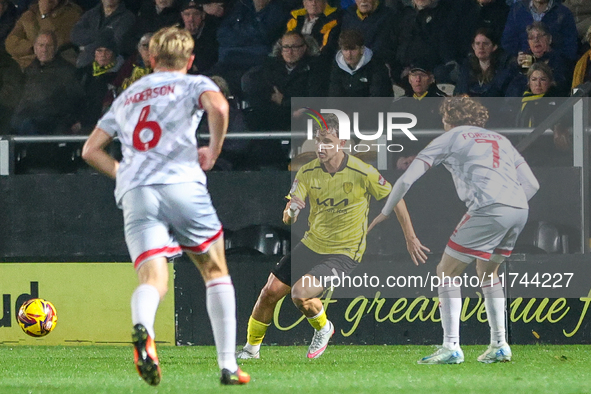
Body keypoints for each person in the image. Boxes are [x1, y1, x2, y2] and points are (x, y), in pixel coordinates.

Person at [81, 26, 249, 386]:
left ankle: (143, 327)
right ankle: (228, 365)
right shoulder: (193, 83)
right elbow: (218, 105)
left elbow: (90, 150)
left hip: (137, 192)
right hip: (181, 183)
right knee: (215, 271)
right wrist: (213, 150)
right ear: (189, 60)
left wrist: (123, 173)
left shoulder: (127, 96)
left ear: (151, 59)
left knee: (153, 278)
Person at [237, 113, 429, 360]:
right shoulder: (307, 172)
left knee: (300, 294)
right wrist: (291, 212)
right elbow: (288, 216)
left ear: (343, 144)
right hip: (312, 243)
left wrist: (410, 237)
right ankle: (251, 350)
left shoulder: (363, 172)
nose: (321, 147)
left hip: (345, 251)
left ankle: (324, 328)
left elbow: (396, 200)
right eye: (318, 141)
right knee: (269, 292)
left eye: (327, 141)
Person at [369, 96, 539, 364]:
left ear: (448, 118)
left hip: (489, 208)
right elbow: (532, 184)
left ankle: (451, 347)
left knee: (446, 271)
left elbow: (405, 180)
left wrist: (385, 212)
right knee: (488, 271)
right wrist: (508, 208)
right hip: (519, 208)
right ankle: (499, 344)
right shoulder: (499, 139)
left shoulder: (449, 138)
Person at [5, 0, 82, 69]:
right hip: (25, 64)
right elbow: (10, 42)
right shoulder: (29, 14)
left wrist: (44, 15)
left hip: (54, 65)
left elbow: (53, 43)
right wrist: (32, 47)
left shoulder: (72, 14)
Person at [502, 0, 578, 63]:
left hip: (553, 68)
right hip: (524, 65)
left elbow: (571, 48)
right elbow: (508, 41)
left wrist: (551, 55)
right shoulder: (517, 10)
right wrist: (517, 56)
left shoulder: (563, 13)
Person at [70, 0, 135, 68]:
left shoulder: (127, 17)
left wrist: (86, 47)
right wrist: (101, 35)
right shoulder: (91, 13)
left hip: (111, 67)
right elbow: (74, 35)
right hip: (84, 63)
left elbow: (117, 43)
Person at [328, 29, 392, 97]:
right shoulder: (337, 65)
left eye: (353, 49)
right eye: (345, 49)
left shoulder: (376, 66)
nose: (349, 54)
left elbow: (378, 97)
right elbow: (334, 95)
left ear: (362, 49)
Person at [455, 27, 515, 97]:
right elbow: (459, 92)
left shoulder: (503, 68)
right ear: (473, 47)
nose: (481, 47)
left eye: (485, 44)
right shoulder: (467, 67)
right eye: (477, 43)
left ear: (494, 47)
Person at [181, 0, 218, 75]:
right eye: (187, 14)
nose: (191, 19)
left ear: (203, 15)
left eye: (196, 14)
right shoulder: (176, 36)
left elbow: (207, 62)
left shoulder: (211, 34)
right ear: (182, 16)